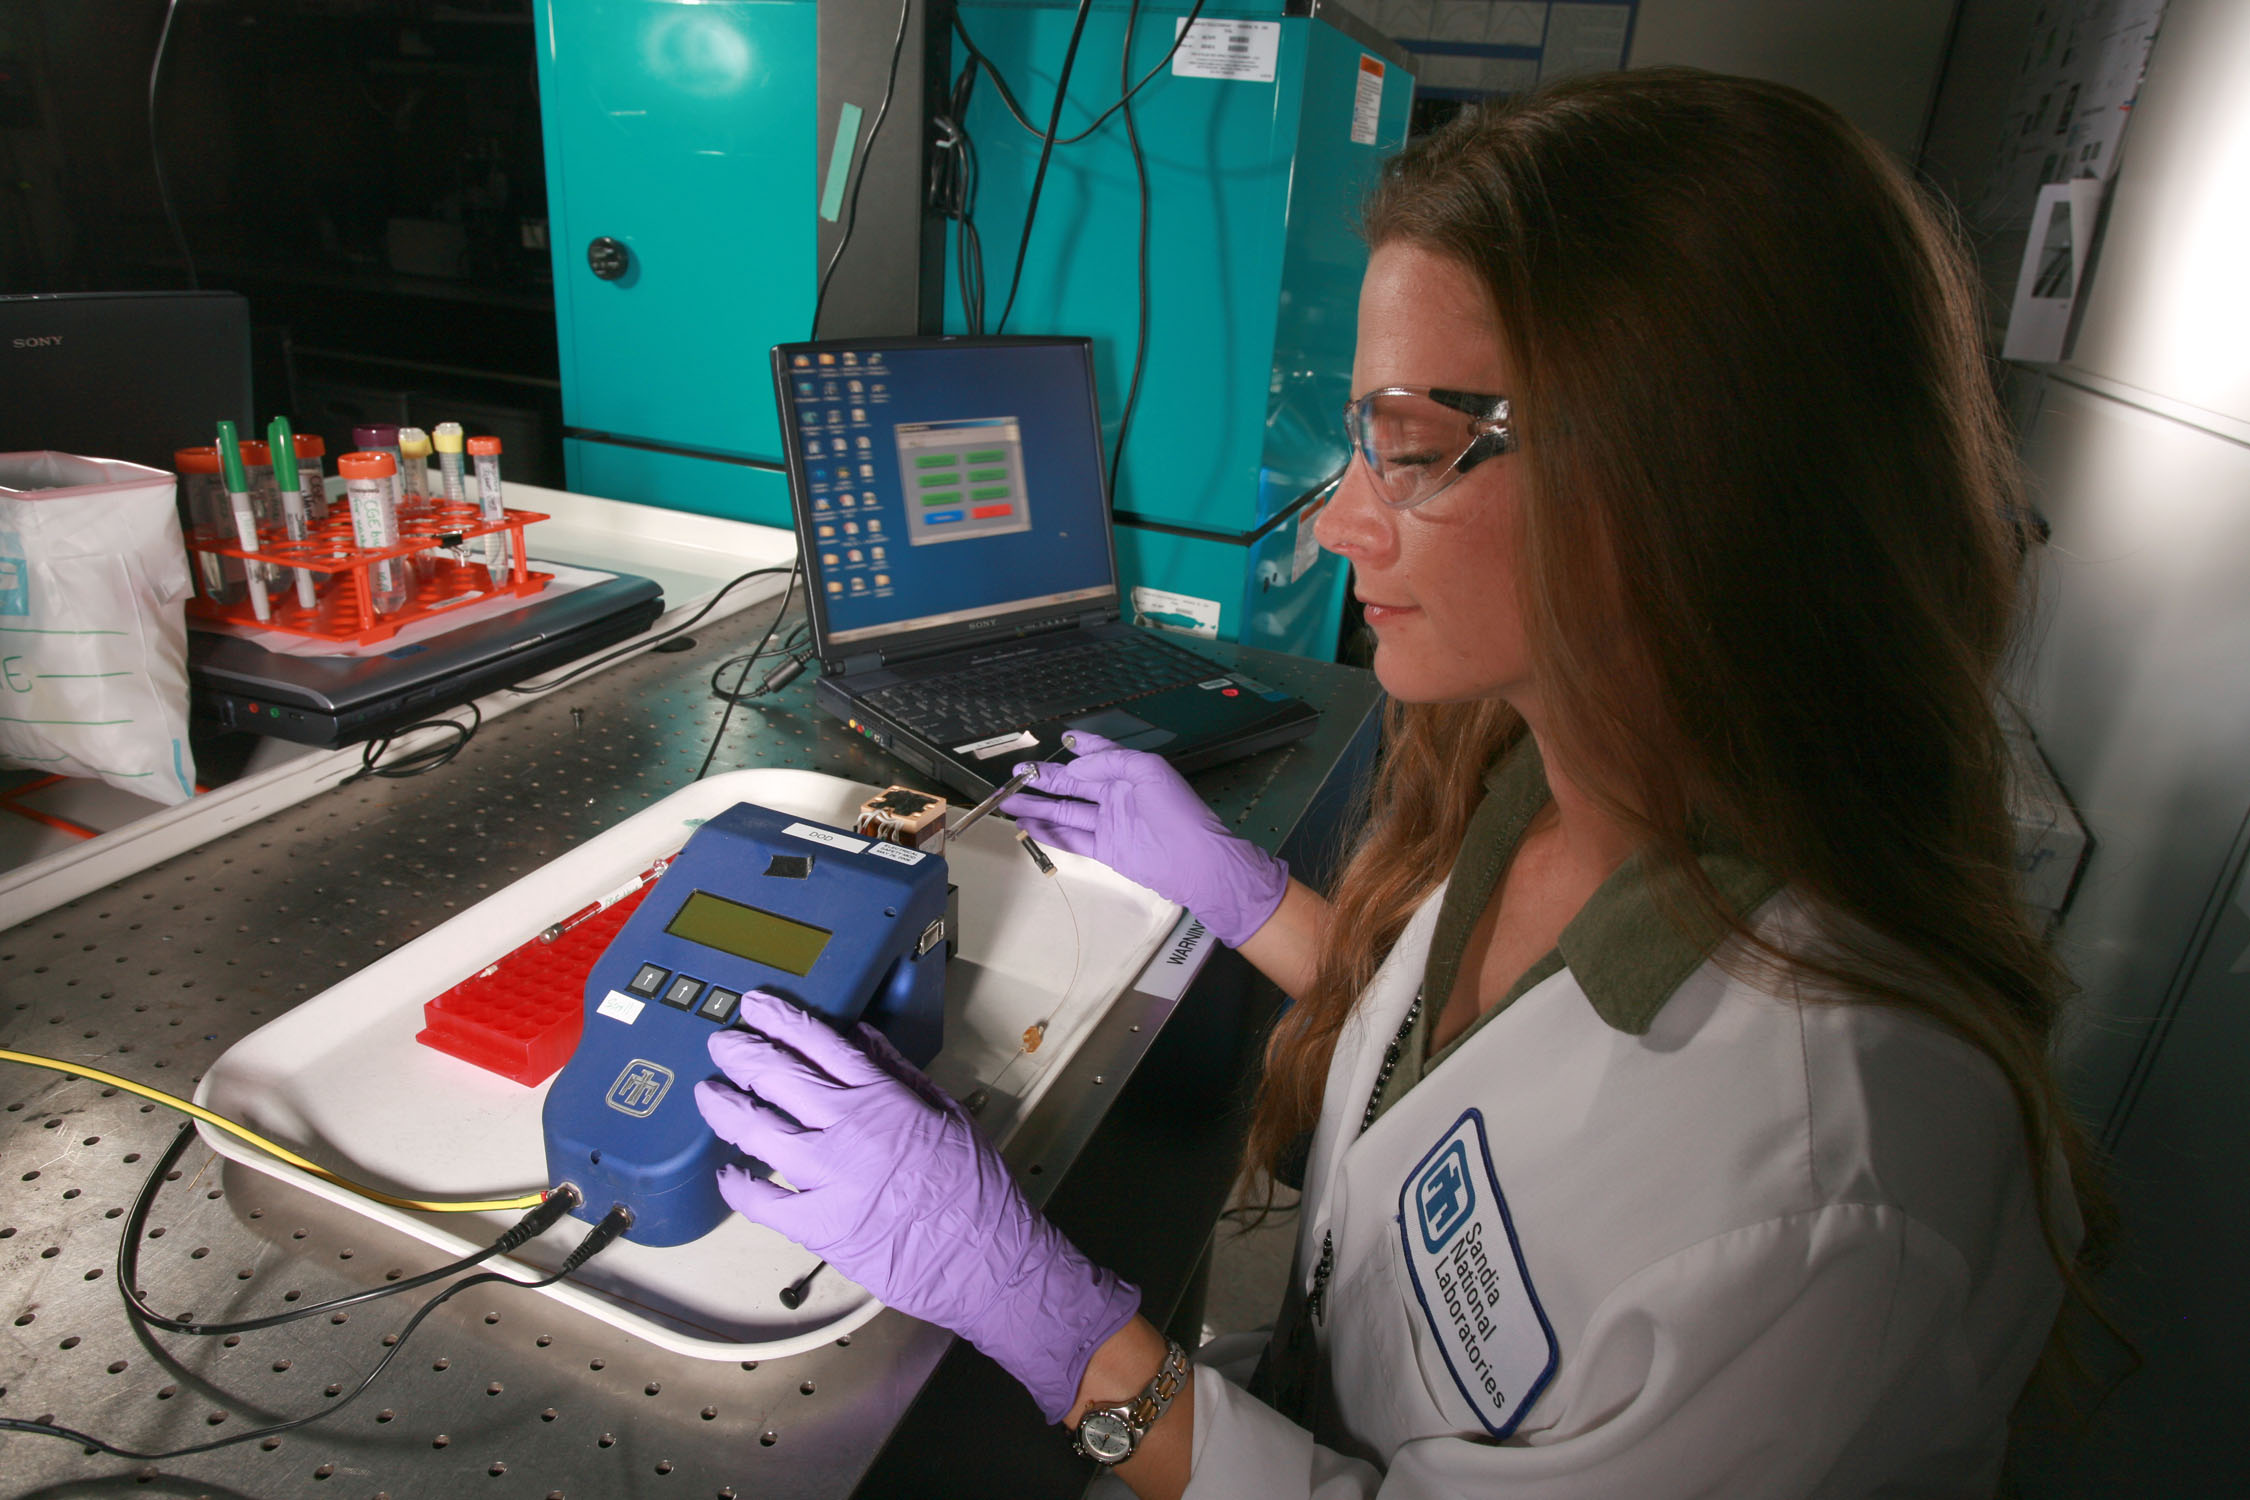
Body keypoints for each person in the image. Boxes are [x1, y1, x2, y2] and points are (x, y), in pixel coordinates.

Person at [694, 69, 2102, 1497]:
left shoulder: (1822, 1183)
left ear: (1694, 486)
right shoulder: (1543, 781)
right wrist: (1238, 893)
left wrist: (1045, 1322)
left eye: (1417, 455)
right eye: (1362, 440)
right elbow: (1484, 1075)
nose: (1349, 522)